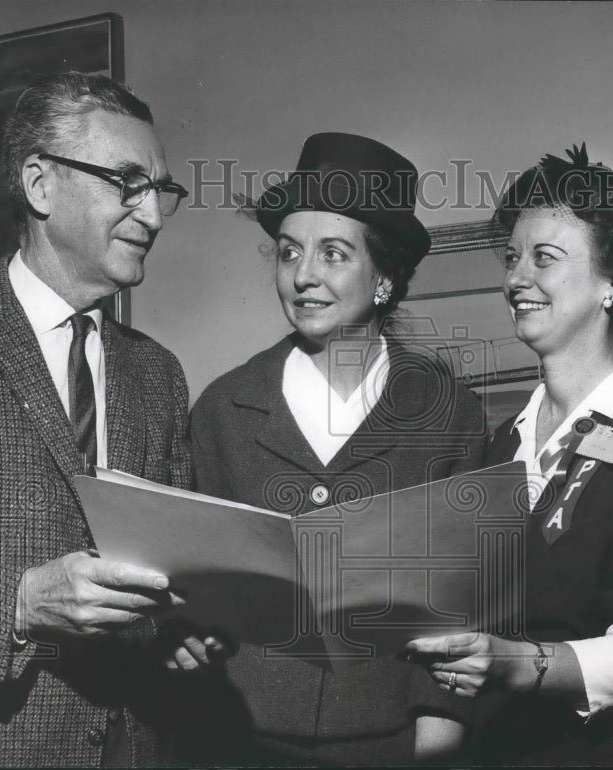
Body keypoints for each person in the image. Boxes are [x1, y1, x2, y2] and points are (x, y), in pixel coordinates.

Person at [0, 72, 196, 767]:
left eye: (160, 190)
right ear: (40, 184)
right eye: (127, 183)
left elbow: (174, 566)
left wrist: (188, 624)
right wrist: (19, 602)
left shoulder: (158, 373)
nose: (153, 216)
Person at [405, 143, 613, 764]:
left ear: (612, 282)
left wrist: (520, 665)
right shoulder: (500, 443)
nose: (516, 279)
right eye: (511, 258)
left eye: (544, 258)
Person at [188, 132, 487, 765]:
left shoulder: (450, 415)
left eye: (333, 253)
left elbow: (460, 605)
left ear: (384, 277)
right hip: (237, 738)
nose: (303, 276)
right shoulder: (223, 408)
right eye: (289, 252)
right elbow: (195, 589)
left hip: (390, 742)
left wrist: (436, 744)